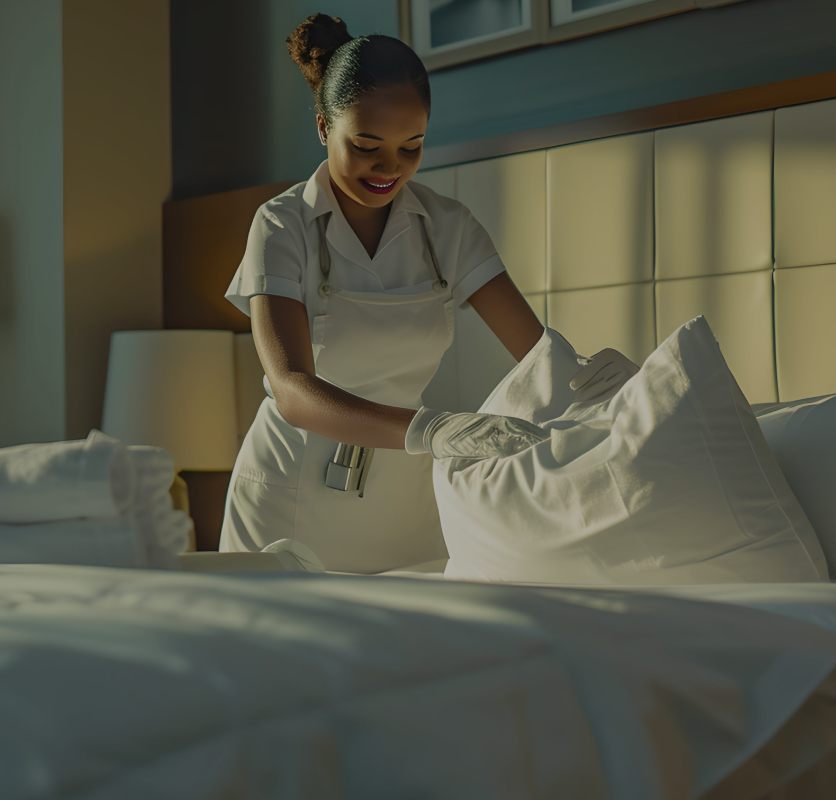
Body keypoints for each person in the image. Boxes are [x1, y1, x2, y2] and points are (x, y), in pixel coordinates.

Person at [219, 13, 637, 573]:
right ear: (323, 127)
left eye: (411, 146)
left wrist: (610, 388)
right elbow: (292, 390)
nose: (389, 166)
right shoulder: (281, 224)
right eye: (366, 145)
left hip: (406, 506)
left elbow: (538, 356)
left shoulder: (449, 227)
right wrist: (434, 428)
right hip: (288, 500)